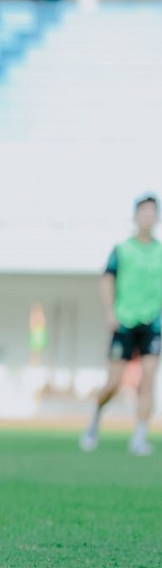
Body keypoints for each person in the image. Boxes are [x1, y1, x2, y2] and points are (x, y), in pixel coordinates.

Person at [80, 194, 162, 456]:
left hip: (152, 322)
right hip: (124, 321)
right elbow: (106, 279)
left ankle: (139, 437)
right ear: (136, 216)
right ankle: (95, 416)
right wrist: (109, 312)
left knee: (148, 378)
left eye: (152, 212)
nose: (147, 216)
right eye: (143, 212)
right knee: (114, 383)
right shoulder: (122, 249)